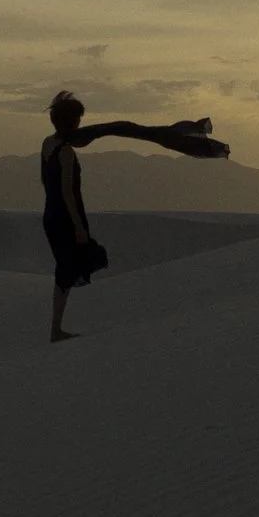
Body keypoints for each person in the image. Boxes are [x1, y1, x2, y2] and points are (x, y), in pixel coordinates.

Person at [41, 90, 228, 341]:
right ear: (71, 121)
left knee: (67, 268)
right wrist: (78, 226)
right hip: (65, 216)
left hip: (51, 213)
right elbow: (67, 193)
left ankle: (56, 327)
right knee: (71, 266)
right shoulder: (65, 152)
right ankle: (56, 330)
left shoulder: (48, 144)